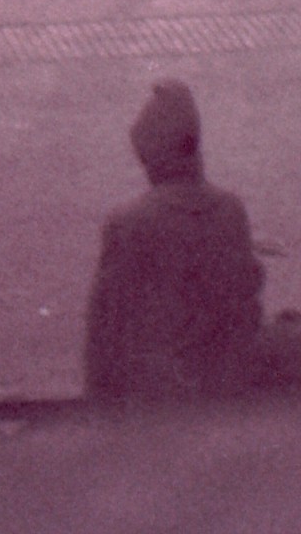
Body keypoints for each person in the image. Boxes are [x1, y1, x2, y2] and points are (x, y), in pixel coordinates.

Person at [84, 82, 301, 406]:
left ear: (152, 157)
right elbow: (245, 303)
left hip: (161, 390)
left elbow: (105, 328)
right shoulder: (230, 209)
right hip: (226, 378)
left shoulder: (129, 222)